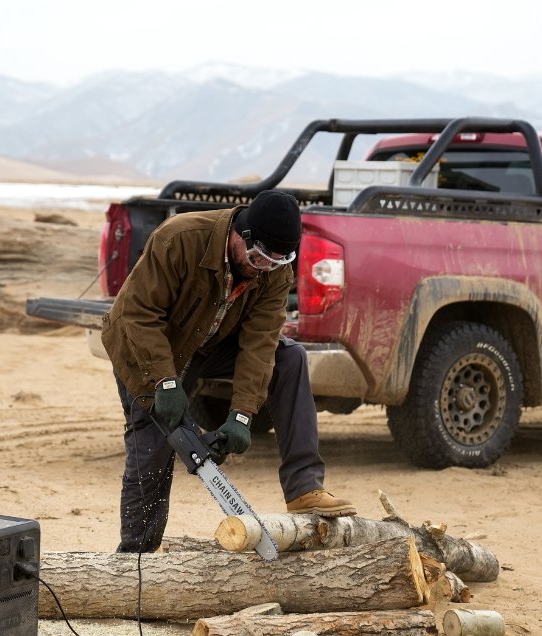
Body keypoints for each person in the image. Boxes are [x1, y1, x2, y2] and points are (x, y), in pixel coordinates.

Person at [100, 189, 357, 553]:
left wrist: (242, 414)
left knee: (291, 357)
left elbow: (260, 343)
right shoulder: (179, 239)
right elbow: (138, 315)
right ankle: (136, 556)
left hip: (211, 341)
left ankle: (304, 488)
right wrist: (165, 381)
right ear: (242, 234)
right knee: (153, 444)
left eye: (275, 262)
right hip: (144, 345)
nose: (263, 268)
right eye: (258, 258)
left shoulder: (274, 269)